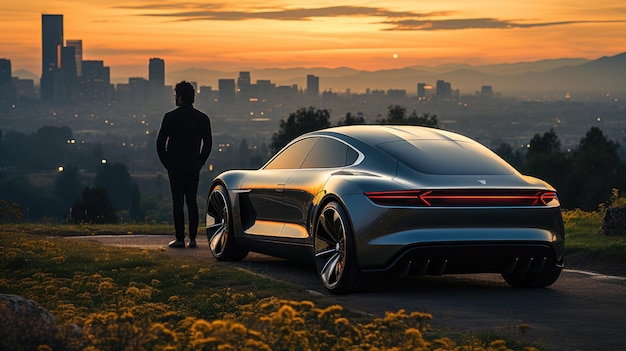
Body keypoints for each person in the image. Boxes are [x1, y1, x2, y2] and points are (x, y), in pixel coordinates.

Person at [156, 81, 212, 248]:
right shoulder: (202, 118)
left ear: (179, 96)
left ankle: (180, 239)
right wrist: (200, 162)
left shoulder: (170, 117)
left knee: (177, 203)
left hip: (175, 165)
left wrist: (167, 162)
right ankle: (193, 239)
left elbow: (160, 143)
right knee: (192, 202)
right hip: (193, 165)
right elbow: (208, 144)